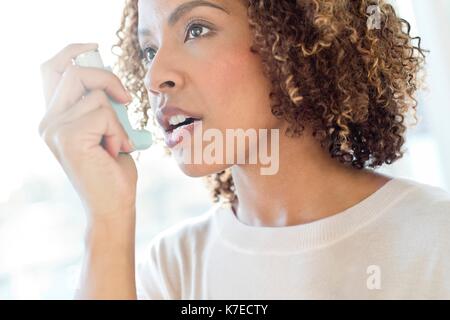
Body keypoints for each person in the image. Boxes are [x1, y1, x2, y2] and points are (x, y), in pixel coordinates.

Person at [39, 0, 450, 299]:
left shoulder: (437, 238)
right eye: (148, 50)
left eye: (196, 29)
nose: (154, 76)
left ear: (294, 36)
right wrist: (107, 218)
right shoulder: (173, 269)